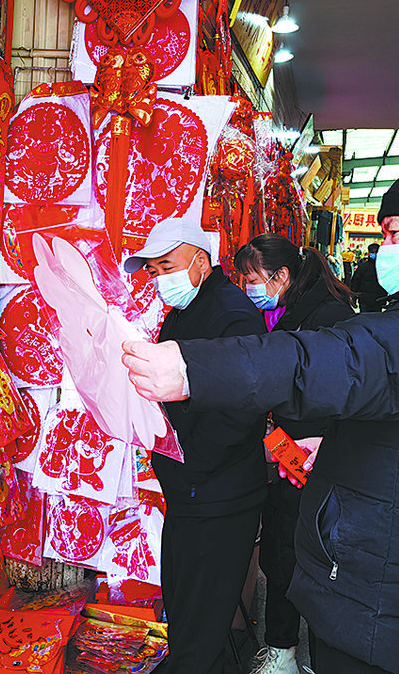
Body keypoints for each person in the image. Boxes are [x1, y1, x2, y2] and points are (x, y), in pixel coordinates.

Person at [121, 136, 399, 674]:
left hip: (397, 608)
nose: (386, 247)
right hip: (398, 590)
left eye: (396, 232)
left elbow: (349, 359)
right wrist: (339, 444)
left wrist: (194, 369)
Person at [122, 217, 268, 674]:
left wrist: (191, 464)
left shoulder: (233, 314)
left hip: (217, 493)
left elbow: (243, 408)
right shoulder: (187, 310)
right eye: (153, 270)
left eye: (166, 265)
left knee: (202, 614)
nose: (159, 277)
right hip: (190, 489)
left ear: (201, 261)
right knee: (187, 606)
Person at [234, 235, 355, 674]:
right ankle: (282, 650)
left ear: (281, 276)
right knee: (282, 552)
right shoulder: (287, 314)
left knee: (309, 558)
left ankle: (308, 657)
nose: (247, 287)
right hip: (288, 450)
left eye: (251, 279)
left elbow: (341, 392)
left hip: (316, 455)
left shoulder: (327, 318)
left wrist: (316, 439)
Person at [349, 243, 386, 312]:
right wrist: (353, 296)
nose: (374, 254)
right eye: (372, 252)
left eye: (376, 252)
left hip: (377, 299)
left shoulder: (383, 267)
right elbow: (355, 282)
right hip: (366, 299)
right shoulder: (363, 266)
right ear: (369, 252)